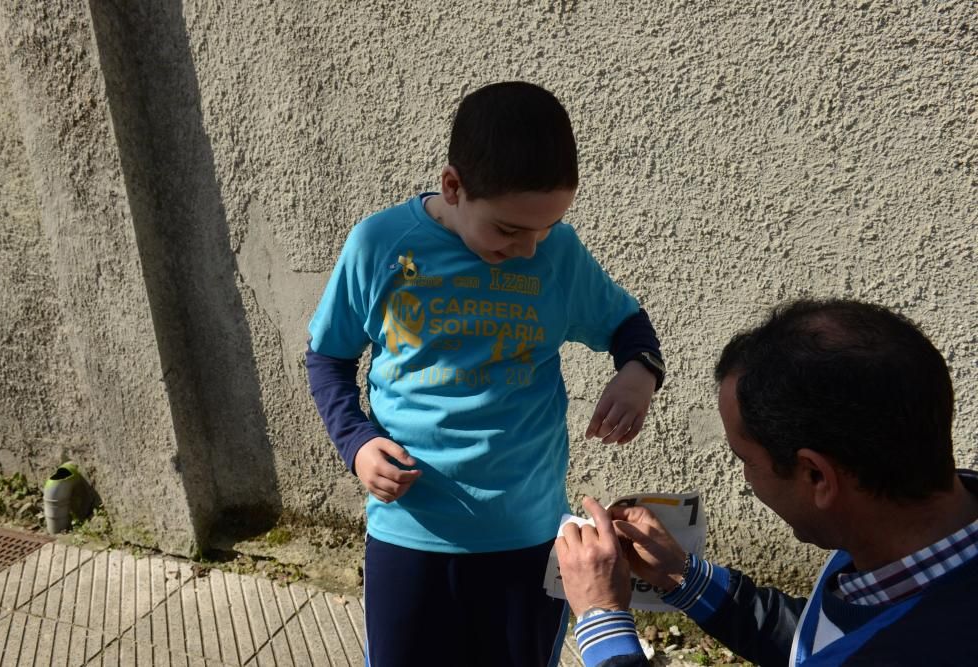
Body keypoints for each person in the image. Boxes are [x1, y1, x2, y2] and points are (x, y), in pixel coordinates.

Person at [305, 81, 665, 666]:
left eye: (544, 229)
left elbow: (629, 325)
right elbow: (328, 358)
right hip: (410, 537)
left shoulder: (558, 254)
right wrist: (356, 440)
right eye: (507, 230)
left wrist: (638, 374)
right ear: (453, 186)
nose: (528, 248)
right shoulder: (378, 247)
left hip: (526, 539)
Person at [557, 298, 978, 666]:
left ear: (817, 476)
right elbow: (817, 644)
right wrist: (683, 577)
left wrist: (604, 625)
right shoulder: (897, 549)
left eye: (746, 460)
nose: (746, 476)